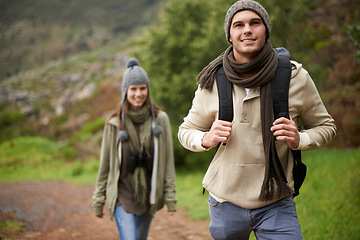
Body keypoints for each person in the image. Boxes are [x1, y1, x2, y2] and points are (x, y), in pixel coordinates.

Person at [178, 1, 336, 239]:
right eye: (238, 25)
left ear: (266, 30)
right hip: (225, 201)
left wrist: (299, 138)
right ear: (230, 35)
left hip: (276, 200)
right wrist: (205, 138)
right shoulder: (212, 81)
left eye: (255, 23)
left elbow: (327, 127)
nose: (247, 30)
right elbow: (186, 130)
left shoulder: (295, 77)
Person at [92, 58, 176, 240]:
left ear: (148, 90)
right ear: (125, 92)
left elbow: (167, 161)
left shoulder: (160, 120)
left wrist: (170, 197)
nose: (138, 94)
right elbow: (105, 165)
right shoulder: (114, 124)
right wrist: (99, 199)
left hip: (147, 196)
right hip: (123, 196)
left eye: (142, 88)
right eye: (133, 89)